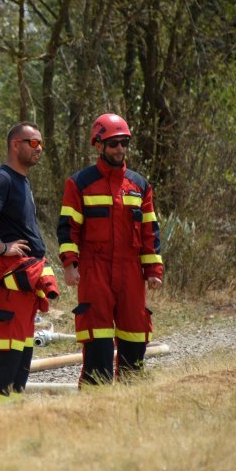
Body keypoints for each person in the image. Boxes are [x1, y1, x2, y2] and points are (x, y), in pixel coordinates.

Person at [57, 113, 163, 386]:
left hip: (130, 273)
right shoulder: (80, 183)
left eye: (124, 143)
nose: (120, 149)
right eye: (113, 143)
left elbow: (150, 231)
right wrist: (70, 264)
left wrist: (153, 270)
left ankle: (131, 398)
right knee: (98, 340)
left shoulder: (139, 185)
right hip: (95, 271)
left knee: (135, 337)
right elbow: (69, 227)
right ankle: (95, 402)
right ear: (99, 145)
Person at [0, 121, 59, 408]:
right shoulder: (4, 179)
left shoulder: (21, 180)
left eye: (41, 144)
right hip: (8, 289)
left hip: (23, 288)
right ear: (15, 145)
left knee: (20, 355)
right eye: (33, 143)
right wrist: (1, 247)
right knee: (4, 354)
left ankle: (9, 417)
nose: (39, 149)